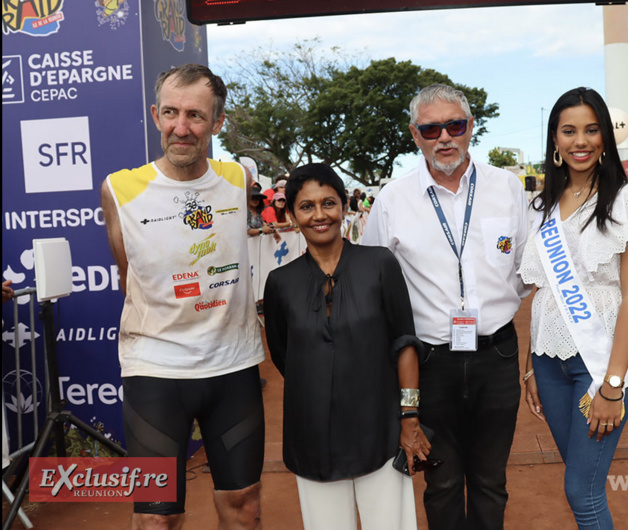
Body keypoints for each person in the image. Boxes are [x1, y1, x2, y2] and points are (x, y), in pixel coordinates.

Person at [101, 63, 265, 530]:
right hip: (155, 373)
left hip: (232, 368)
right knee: (156, 521)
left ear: (217, 123)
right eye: (170, 112)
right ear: (155, 115)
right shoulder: (119, 188)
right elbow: (127, 273)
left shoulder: (237, 178)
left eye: (196, 115)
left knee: (246, 508)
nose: (181, 127)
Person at [362, 83, 530, 530]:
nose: (445, 137)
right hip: (429, 361)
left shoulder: (507, 188)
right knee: (441, 483)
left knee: (491, 481)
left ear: (470, 127)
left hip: (497, 355)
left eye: (454, 125)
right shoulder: (392, 201)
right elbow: (372, 281)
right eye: (431, 128)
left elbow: (527, 267)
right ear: (414, 135)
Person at [520, 88, 628, 529]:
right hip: (549, 363)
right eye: (569, 131)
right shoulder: (542, 207)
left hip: (599, 364)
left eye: (591, 130)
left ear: (605, 138)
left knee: (583, 492)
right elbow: (545, 292)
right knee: (581, 480)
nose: (580, 141)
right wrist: (530, 365)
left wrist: (612, 385)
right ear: (555, 141)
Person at [263, 163, 428, 530]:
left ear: (344, 208)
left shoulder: (380, 264)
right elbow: (285, 356)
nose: (319, 215)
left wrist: (409, 418)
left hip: (380, 431)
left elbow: (405, 343)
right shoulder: (280, 284)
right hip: (312, 438)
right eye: (306, 206)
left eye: (329, 203)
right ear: (291, 214)